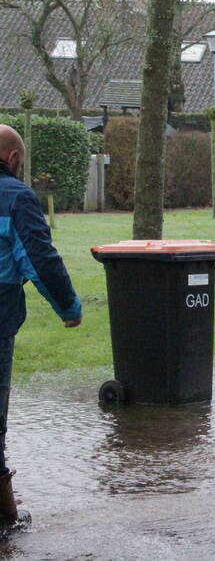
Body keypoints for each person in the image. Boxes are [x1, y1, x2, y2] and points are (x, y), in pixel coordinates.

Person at [0, 124, 81, 530]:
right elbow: (39, 259)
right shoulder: (15, 196)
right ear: (13, 159)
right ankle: (4, 515)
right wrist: (68, 306)